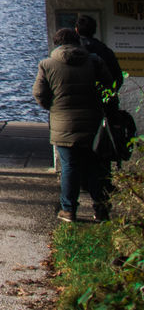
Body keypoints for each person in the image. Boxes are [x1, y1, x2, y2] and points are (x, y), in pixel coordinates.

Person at [33, 27, 114, 222]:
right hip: (92, 124)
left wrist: (53, 107)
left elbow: (39, 93)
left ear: (57, 43)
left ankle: (69, 210)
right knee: (96, 167)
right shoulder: (94, 61)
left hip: (63, 125)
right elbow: (109, 86)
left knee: (70, 166)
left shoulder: (47, 64)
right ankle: (101, 210)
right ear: (77, 41)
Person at [75, 15, 124, 99]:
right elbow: (118, 77)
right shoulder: (105, 50)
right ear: (94, 30)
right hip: (104, 101)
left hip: (80, 102)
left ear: (76, 30)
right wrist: (109, 94)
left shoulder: (72, 51)